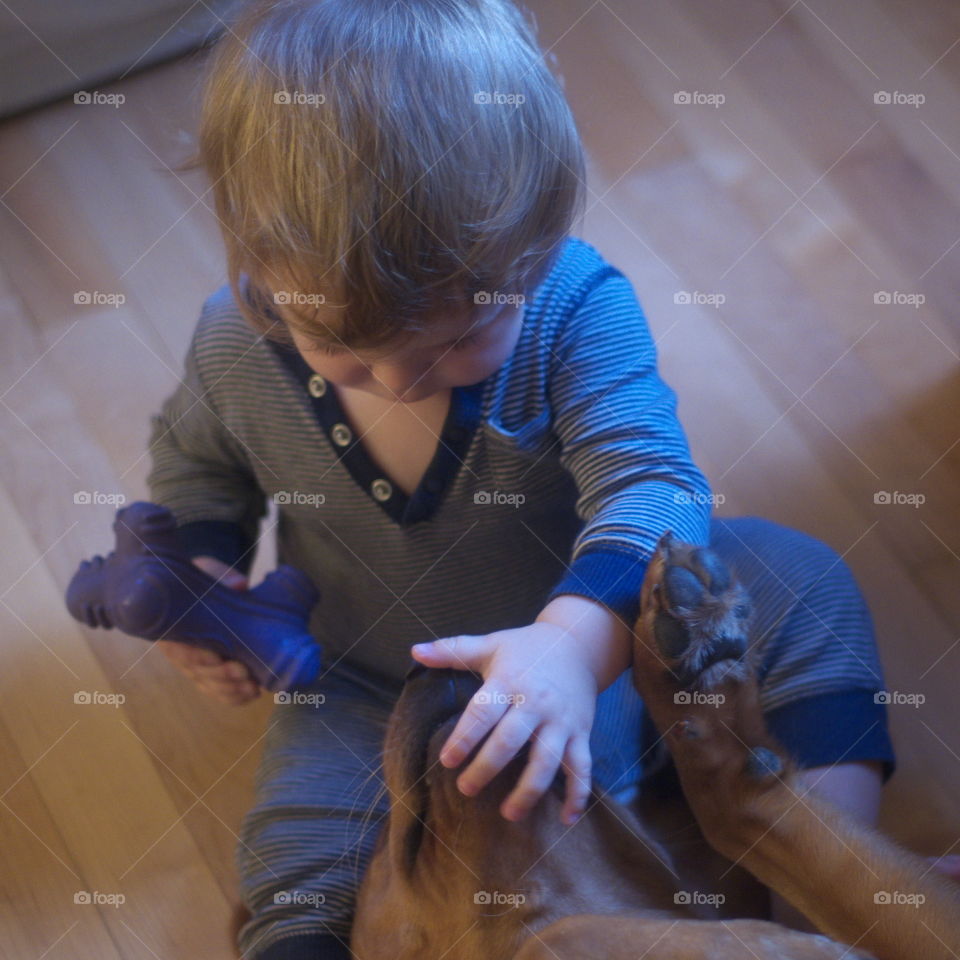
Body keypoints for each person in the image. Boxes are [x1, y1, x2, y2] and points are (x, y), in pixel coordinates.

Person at [147, 1, 896, 956]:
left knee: (805, 584)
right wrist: (199, 577)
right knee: (296, 854)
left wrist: (570, 648)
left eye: (457, 339)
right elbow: (195, 469)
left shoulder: (575, 310)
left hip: (606, 657)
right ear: (258, 272)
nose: (401, 380)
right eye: (341, 345)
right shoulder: (233, 339)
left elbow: (653, 484)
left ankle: (834, 898)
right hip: (367, 683)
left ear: (535, 249)